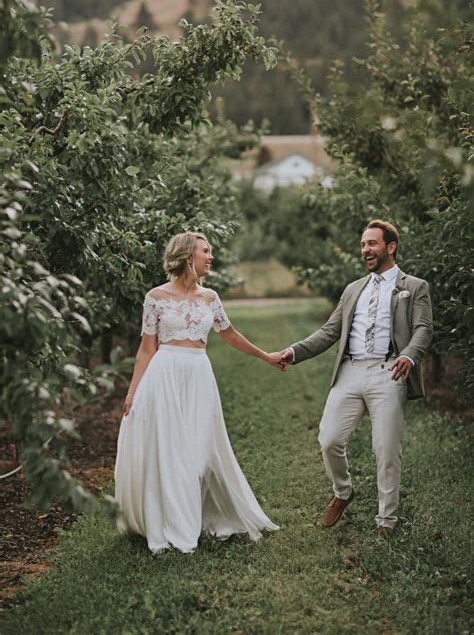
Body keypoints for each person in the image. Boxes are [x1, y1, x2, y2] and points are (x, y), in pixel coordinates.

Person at [114, 231, 280, 554]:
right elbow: (146, 350)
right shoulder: (156, 297)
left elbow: (230, 335)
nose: (211, 257)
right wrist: (133, 391)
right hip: (165, 378)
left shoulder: (211, 298)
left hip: (199, 377)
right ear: (189, 256)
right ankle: (173, 525)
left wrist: (267, 356)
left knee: (201, 456)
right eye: (207, 251)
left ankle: (201, 515)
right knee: (172, 455)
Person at [278, 220, 433, 537]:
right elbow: (329, 332)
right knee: (329, 439)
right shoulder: (352, 290)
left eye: (372, 243)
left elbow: (423, 329)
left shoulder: (414, 287)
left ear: (390, 247)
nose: (366, 250)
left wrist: (409, 355)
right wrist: (293, 352)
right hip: (349, 372)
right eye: (363, 244)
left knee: (386, 449)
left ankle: (386, 521)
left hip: (389, 371)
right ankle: (343, 491)